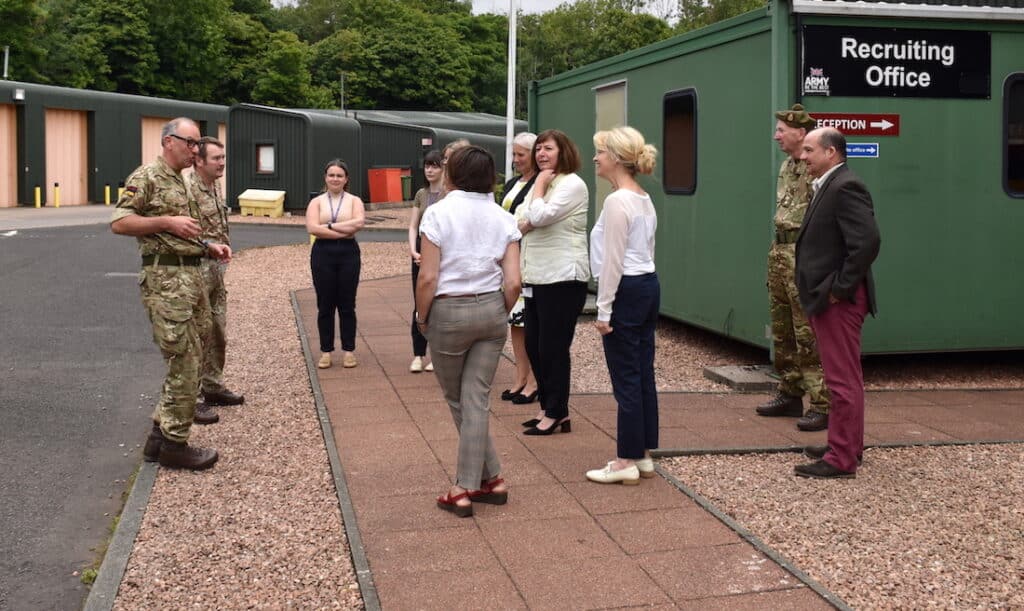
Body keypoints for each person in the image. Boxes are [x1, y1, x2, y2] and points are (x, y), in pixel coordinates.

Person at [111, 117, 230, 471]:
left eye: (197, 145)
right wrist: (165, 222)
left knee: (196, 353)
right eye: (190, 143)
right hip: (166, 281)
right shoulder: (147, 176)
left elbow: (185, 231)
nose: (195, 150)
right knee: (185, 361)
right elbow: (119, 221)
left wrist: (208, 245)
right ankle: (175, 445)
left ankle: (158, 438)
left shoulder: (181, 181)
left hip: (190, 277)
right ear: (168, 141)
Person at [415, 145, 521, 517]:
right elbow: (514, 283)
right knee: (475, 397)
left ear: (454, 173)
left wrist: (423, 318)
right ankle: (493, 479)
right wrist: (498, 312)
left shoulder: (437, 213)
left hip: (448, 310)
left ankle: (463, 487)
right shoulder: (503, 217)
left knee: (459, 399)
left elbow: (428, 276)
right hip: (492, 309)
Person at [793, 127, 881, 479]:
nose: (803, 156)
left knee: (841, 381)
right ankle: (845, 445)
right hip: (830, 297)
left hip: (839, 301)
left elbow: (868, 241)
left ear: (831, 153)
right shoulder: (831, 184)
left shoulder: (846, 186)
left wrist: (839, 289)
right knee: (847, 378)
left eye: (809, 150)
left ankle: (841, 458)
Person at [585, 126, 661, 485]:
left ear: (614, 157)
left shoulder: (617, 202)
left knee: (626, 377)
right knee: (642, 370)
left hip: (627, 289)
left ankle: (624, 460)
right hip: (647, 285)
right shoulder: (643, 198)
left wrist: (603, 310)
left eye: (600, 152)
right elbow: (647, 252)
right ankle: (642, 452)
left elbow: (613, 262)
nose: (596, 158)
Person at [756, 104, 831, 432]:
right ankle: (790, 391)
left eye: (781, 130)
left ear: (801, 133)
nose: (776, 136)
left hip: (802, 253)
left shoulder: (817, 168)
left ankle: (822, 402)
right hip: (780, 251)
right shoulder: (787, 166)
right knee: (783, 328)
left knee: (807, 331)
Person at [517, 129, 590, 435]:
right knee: (534, 345)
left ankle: (557, 412)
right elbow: (520, 219)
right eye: (538, 149)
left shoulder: (571, 184)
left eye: (548, 149)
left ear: (564, 152)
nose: (541, 154)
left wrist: (539, 189)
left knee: (553, 348)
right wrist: (532, 214)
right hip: (536, 276)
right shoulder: (544, 183)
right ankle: (549, 407)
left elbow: (539, 216)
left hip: (562, 276)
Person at [187, 136, 245, 409]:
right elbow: (183, 232)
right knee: (197, 333)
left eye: (223, 158)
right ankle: (192, 395)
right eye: (216, 159)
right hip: (196, 268)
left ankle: (212, 385)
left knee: (217, 329)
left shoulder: (215, 186)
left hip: (216, 270)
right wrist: (209, 248)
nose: (222, 163)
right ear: (199, 161)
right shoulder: (188, 189)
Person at [306, 160, 366, 369]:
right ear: (325, 177)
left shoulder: (354, 200)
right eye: (331, 175)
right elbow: (313, 227)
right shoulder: (317, 202)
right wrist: (341, 230)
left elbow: (358, 223)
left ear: (346, 179)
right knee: (325, 304)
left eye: (339, 175)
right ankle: (326, 351)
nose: (335, 179)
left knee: (347, 304)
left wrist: (329, 225)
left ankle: (349, 350)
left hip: (348, 254)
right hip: (323, 254)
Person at [498, 132, 539, 404]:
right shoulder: (513, 182)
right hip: (510, 258)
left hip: (529, 260)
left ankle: (534, 382)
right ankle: (519, 377)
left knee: (531, 323)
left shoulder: (541, 184)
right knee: (516, 323)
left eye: (520, 155)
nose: (515, 160)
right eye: (514, 154)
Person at [407, 150, 444, 373]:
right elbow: (413, 225)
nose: (429, 170)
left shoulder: (449, 194)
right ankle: (418, 354)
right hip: (421, 250)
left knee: (439, 303)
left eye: (435, 166)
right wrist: (413, 250)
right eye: (427, 166)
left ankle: (437, 354)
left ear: (443, 168)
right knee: (419, 302)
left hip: (441, 252)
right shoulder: (421, 193)